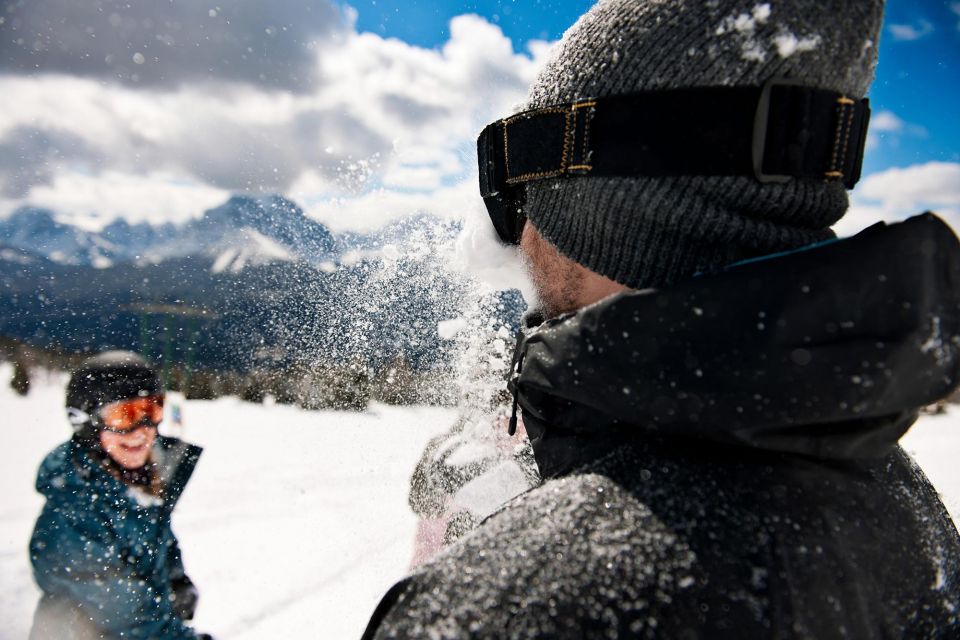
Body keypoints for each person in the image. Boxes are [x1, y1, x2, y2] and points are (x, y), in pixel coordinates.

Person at [363, 1, 960, 637]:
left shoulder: (509, 609)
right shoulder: (905, 506)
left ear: (602, 212)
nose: (516, 234)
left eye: (518, 193)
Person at [29, 351, 210, 640]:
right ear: (86, 421)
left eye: (152, 410)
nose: (142, 431)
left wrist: (174, 577)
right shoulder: (74, 514)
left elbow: (156, 535)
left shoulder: (137, 483)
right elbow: (133, 621)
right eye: (125, 416)